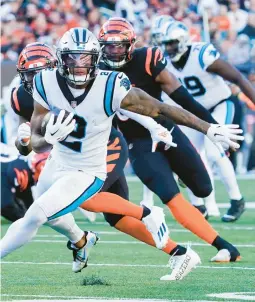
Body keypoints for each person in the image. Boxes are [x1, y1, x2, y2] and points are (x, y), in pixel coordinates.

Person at [0, 27, 242, 281]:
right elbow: (34, 145)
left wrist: (208, 128)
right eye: (72, 58)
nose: (79, 66)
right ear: (59, 60)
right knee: (79, 215)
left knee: (43, 212)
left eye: (85, 59)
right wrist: (37, 140)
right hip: (59, 160)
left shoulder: (110, 83)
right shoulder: (43, 84)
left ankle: (147, 213)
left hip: (91, 164)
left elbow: (155, 107)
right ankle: (84, 240)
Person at [98, 17, 243, 262]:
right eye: (109, 46)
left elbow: (182, 97)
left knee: (204, 188)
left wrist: (213, 128)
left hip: (167, 128)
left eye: (119, 45)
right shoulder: (99, 72)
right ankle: (224, 246)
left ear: (131, 44)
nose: (114, 51)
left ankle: (180, 173)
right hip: (137, 142)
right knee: (170, 196)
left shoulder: (147, 59)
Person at [161, 20, 255, 222]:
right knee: (188, 157)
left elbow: (237, 77)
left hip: (221, 105)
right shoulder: (165, 64)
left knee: (214, 153)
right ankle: (200, 206)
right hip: (195, 114)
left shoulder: (201, 55)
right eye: (165, 44)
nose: (168, 48)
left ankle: (236, 199)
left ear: (183, 40)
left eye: (172, 43)